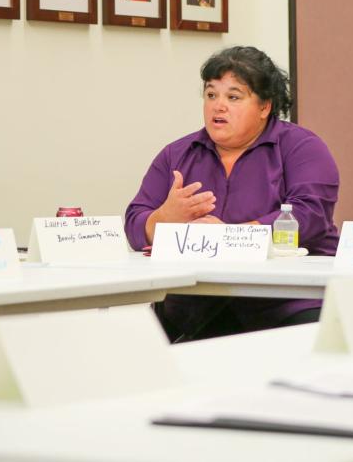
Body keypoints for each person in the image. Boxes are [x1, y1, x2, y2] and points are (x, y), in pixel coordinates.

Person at [126, 46, 340, 340]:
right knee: (132, 341)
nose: (218, 106)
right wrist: (163, 218)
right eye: (211, 95)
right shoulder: (177, 154)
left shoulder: (301, 147)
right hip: (198, 302)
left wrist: (229, 239)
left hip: (286, 299)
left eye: (233, 97)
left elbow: (310, 216)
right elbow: (135, 223)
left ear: (264, 107)